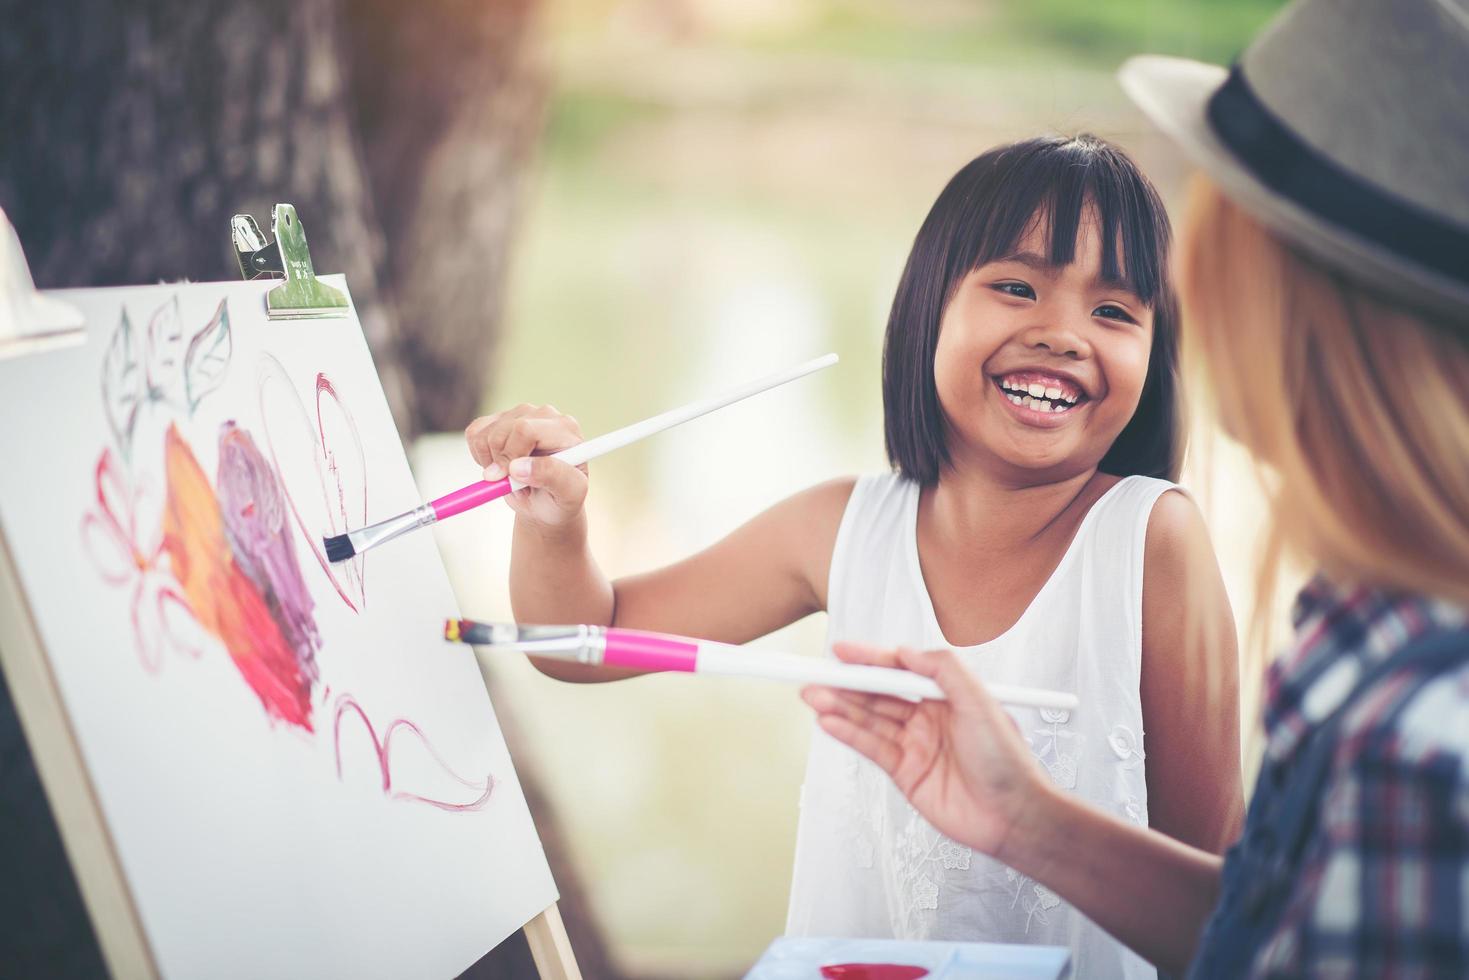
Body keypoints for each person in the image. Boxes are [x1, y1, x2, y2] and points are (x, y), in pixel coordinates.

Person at [465, 134, 1243, 977]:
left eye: (1114, 312)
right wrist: (555, 522)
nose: (1062, 333)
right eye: (1016, 288)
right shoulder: (842, 527)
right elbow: (584, 639)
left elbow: (1221, 906)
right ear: (925, 309)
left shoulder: (1149, 541)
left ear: (1155, 357)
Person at [803, 0, 1469, 975]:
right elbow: (1260, 927)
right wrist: (1026, 818)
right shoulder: (1350, 619)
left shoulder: (1415, 747)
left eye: (1210, 222)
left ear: (1280, 293)